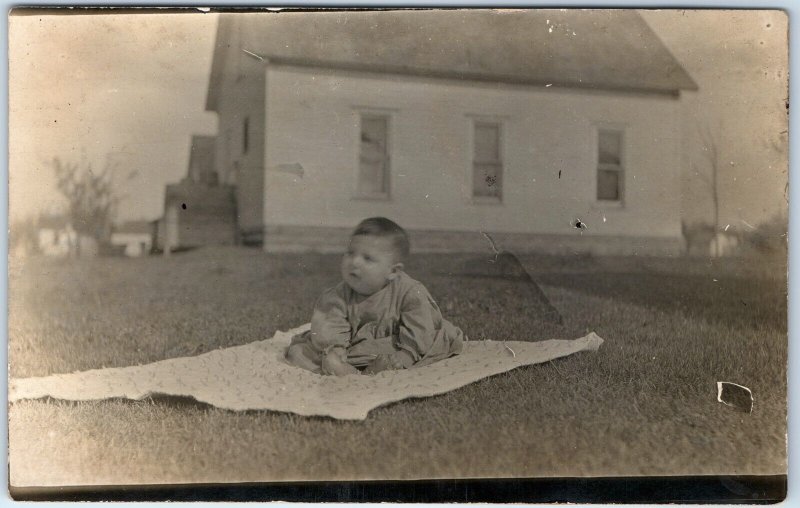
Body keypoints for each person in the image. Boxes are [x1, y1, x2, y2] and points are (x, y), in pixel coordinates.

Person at [285, 217, 464, 376]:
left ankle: (362, 371)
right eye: (350, 253)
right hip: (352, 349)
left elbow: (420, 328)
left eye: (367, 258)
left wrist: (406, 355)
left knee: (434, 340)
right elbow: (330, 325)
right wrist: (336, 350)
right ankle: (352, 373)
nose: (354, 262)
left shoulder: (410, 292)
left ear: (393, 271)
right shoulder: (338, 296)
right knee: (298, 352)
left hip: (396, 343)